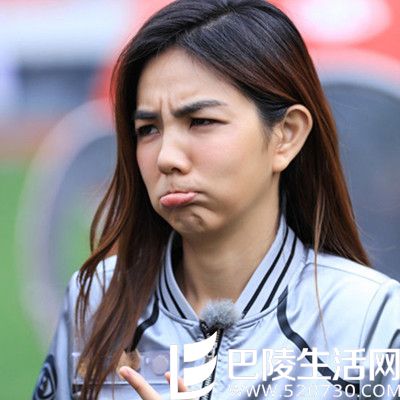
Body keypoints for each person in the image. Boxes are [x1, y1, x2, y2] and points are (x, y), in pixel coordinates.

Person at [32, 0, 400, 399]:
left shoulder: (370, 318)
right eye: (148, 129)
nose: (167, 157)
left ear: (287, 134)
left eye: (201, 122)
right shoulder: (95, 301)